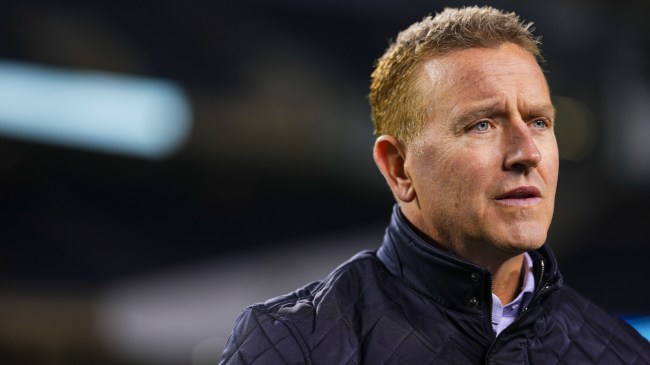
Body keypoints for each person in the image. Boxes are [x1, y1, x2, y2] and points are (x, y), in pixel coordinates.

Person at [219, 6, 650, 364]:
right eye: (482, 125)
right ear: (399, 168)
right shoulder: (294, 347)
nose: (527, 153)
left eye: (539, 122)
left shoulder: (623, 354)